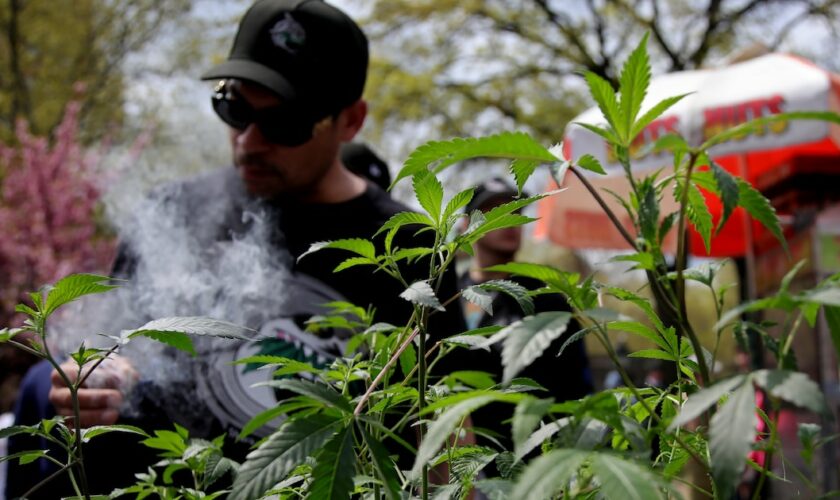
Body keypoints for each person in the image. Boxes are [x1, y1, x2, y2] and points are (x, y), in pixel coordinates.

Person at [6, 1, 464, 497]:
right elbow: (117, 350)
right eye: (234, 107)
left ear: (351, 121)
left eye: (285, 122)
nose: (249, 141)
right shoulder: (172, 210)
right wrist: (94, 380)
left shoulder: (414, 247)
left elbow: (447, 422)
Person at [458, 177, 593, 451]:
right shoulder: (444, 294)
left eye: (516, 212)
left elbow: (576, 385)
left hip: (525, 453)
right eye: (494, 212)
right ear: (465, 226)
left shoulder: (545, 300)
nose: (510, 220)